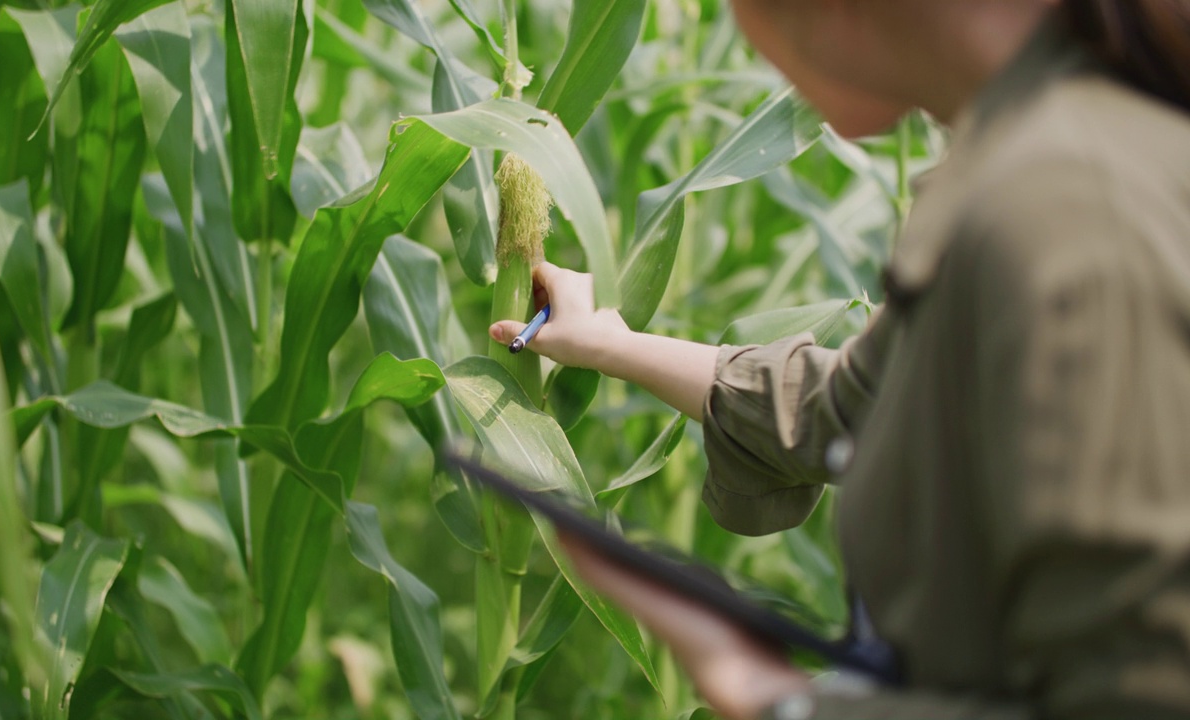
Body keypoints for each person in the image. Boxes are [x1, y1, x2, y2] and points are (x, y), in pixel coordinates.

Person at [488, 1, 1190, 718]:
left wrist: (783, 702)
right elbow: (859, 405)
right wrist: (610, 341)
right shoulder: (1046, 163)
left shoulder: (1067, 205)